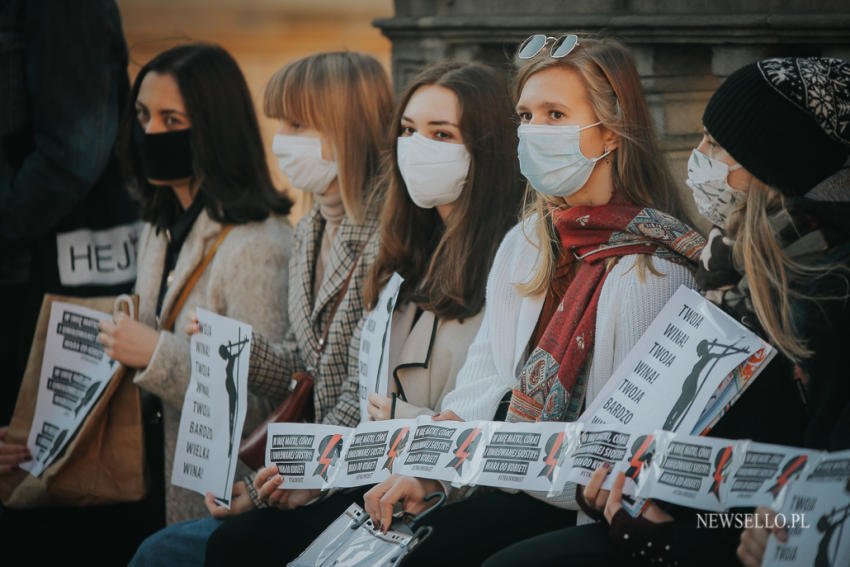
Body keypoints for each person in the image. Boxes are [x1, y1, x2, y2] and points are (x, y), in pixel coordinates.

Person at [487, 56, 850, 567]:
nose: (698, 158)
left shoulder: (819, 295)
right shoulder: (731, 270)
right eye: (524, 116)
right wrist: (629, 493)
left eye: (717, 145)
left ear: (775, 166)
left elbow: (803, 499)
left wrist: (671, 538)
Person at [361, 34, 705, 566]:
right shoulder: (525, 241)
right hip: (501, 482)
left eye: (556, 115)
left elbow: (607, 456)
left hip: (574, 511)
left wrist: (485, 449)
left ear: (610, 133)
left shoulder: (653, 271)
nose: (533, 132)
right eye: (525, 116)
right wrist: (430, 475)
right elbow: (482, 385)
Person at [202, 60, 526, 565]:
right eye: (409, 130)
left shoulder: (515, 261)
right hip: (377, 477)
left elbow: (500, 428)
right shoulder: (400, 251)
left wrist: (404, 426)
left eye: (441, 133)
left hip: (445, 489)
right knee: (236, 545)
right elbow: (360, 396)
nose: (418, 147)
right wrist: (316, 477)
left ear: (486, 149)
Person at [128, 51, 393, 566]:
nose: (282, 139)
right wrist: (237, 347)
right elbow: (303, 361)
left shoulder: (383, 236)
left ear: (345, 127)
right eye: (281, 123)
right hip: (302, 471)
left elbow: (352, 396)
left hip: (342, 478)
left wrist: (263, 483)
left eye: (297, 123)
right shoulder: (313, 224)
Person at [94, 43, 295, 527]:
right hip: (139, 481)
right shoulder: (162, 226)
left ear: (212, 128)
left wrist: (156, 354)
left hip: (212, 504)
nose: (149, 133)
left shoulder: (258, 243)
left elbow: (262, 406)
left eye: (171, 120)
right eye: (142, 116)